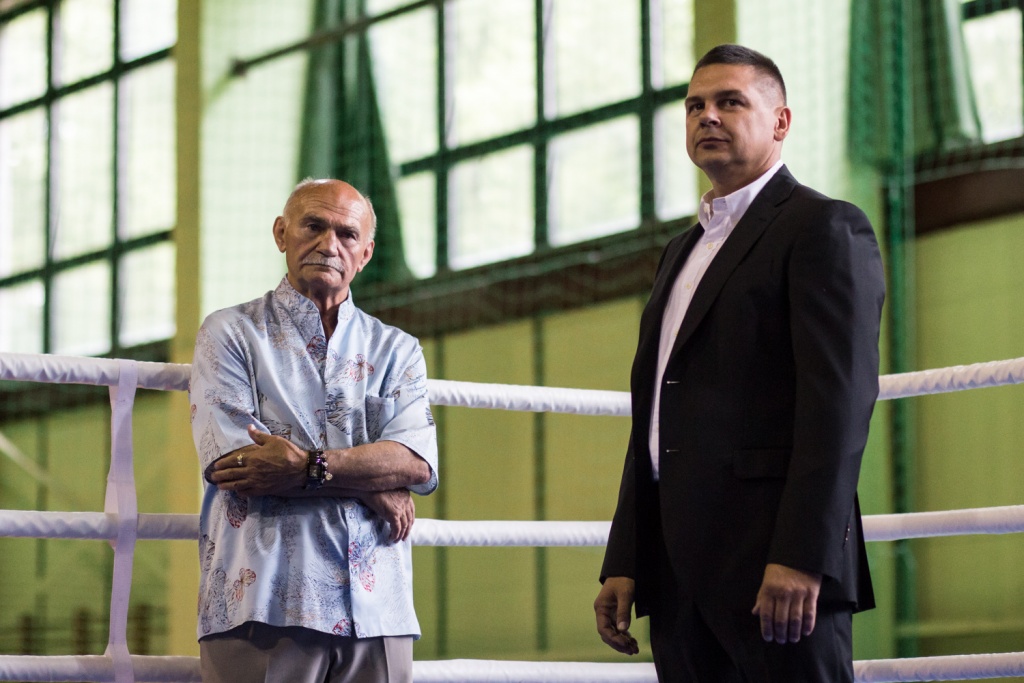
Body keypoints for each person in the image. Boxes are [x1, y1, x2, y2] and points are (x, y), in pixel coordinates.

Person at [594, 44, 885, 682]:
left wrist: (802, 555)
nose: (707, 116)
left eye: (730, 102)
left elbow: (837, 408)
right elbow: (657, 415)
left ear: (780, 122)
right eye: (695, 105)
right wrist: (626, 558)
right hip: (676, 574)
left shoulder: (824, 227)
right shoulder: (680, 251)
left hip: (776, 569)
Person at [189, 178, 438, 683]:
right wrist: (370, 483)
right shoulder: (229, 333)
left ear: (366, 253)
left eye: (347, 234)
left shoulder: (398, 349)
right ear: (282, 233)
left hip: (380, 612)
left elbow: (414, 463)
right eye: (314, 226)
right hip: (261, 603)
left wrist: (307, 466)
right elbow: (236, 464)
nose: (330, 244)